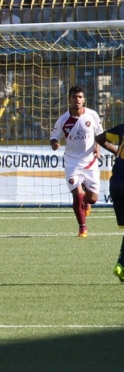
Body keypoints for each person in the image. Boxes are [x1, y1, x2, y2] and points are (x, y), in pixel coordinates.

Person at [50, 86, 112, 238]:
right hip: (72, 162)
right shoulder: (63, 120)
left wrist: (97, 148)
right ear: (69, 99)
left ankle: (87, 202)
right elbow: (54, 137)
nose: (77, 99)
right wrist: (55, 144)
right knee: (77, 195)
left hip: (90, 161)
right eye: (74, 97)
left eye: (79, 97)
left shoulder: (92, 115)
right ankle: (82, 227)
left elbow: (99, 135)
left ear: (84, 99)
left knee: (93, 199)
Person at [94, 124, 124, 281]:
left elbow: (100, 138)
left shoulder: (122, 128)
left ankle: (121, 265)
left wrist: (117, 152)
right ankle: (122, 263)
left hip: (116, 184)